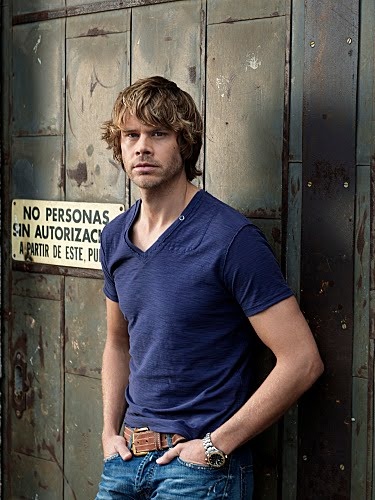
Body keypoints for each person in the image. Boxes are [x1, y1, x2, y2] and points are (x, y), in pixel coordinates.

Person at [96, 76, 324, 499]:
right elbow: (118, 342)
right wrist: (109, 432)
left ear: (184, 143)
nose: (142, 146)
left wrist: (214, 446)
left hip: (198, 472)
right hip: (125, 461)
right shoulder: (115, 237)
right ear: (120, 145)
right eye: (131, 135)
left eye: (158, 133)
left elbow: (302, 360)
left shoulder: (229, 238)